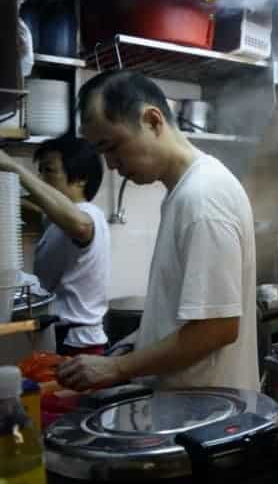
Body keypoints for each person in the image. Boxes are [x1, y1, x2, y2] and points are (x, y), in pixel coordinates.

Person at [56, 70, 259, 392]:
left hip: (210, 422)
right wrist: (138, 342)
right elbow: (186, 317)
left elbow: (217, 328)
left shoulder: (203, 198)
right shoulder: (184, 192)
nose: (110, 164)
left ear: (152, 121)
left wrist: (117, 367)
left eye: (112, 146)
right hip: (194, 413)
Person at [0, 136, 110, 356]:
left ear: (80, 179)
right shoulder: (56, 221)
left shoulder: (89, 215)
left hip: (79, 345)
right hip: (63, 338)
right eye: (39, 171)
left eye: (49, 171)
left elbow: (80, 226)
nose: (41, 179)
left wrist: (11, 166)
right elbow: (35, 204)